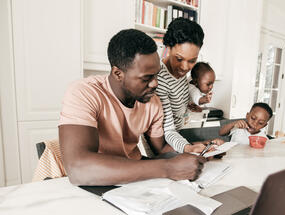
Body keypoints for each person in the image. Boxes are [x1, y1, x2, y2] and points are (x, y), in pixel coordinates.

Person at [59, 29, 206, 186]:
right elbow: (78, 169)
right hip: (94, 183)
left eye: (156, 75)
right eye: (146, 78)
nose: (155, 83)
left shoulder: (152, 102)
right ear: (118, 74)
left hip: (133, 180)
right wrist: (167, 168)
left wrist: (190, 150)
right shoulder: (84, 92)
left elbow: (161, 148)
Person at [156, 18, 223, 154]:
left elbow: (178, 101)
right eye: (179, 59)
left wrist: (189, 104)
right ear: (167, 47)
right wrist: (189, 148)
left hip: (178, 137)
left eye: (192, 61)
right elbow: (168, 130)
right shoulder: (160, 80)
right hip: (164, 144)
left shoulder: (180, 75)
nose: (185, 67)